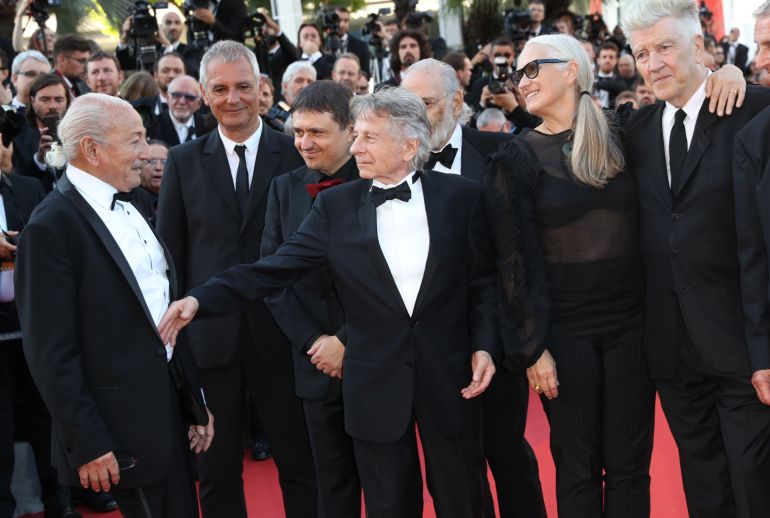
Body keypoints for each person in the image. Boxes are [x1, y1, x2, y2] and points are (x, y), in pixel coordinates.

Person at [159, 86, 497, 518]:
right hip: (374, 383)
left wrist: (483, 343)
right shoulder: (335, 206)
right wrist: (199, 299)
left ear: (410, 145)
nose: (355, 147)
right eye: (355, 135)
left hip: (449, 377)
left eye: (368, 137)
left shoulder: (461, 197)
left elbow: (483, 283)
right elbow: (273, 268)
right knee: (389, 504)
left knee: (463, 498)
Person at [15, 93, 213, 518]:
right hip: (113, 430)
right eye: (135, 140)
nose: (146, 153)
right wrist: (87, 442)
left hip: (167, 414)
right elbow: (50, 352)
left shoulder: (136, 201)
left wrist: (193, 401)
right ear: (92, 149)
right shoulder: (50, 227)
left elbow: (161, 308)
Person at [621, 1, 770, 516]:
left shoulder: (753, 110)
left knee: (755, 481)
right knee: (703, 486)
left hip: (743, 344)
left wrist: (734, 72)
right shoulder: (635, 132)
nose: (653, 63)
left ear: (700, 46)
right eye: (641, 53)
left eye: (664, 47)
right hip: (671, 347)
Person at [155, 40, 313, 518]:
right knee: (218, 471)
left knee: (300, 464)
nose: (232, 98)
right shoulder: (183, 163)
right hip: (209, 339)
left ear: (262, 88)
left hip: (286, 335)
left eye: (243, 86)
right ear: (204, 93)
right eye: (220, 89)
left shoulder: (296, 154)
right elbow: (172, 256)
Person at [402, 57, 545, 518]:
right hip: (429, 339)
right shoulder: (395, 163)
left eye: (425, 103)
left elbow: (523, 245)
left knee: (507, 450)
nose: (416, 116)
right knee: (451, 466)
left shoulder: (501, 151)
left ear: (457, 101)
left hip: (499, 332)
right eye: (408, 105)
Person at [261, 80, 361, 518]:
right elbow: (272, 276)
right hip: (314, 361)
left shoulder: (381, 180)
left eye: (316, 132)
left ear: (350, 130)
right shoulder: (283, 188)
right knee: (331, 484)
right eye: (297, 132)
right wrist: (315, 343)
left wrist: (345, 340)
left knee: (387, 482)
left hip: (377, 356)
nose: (303, 142)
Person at [0, 112, 76, 518]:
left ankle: (60, 502)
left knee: (46, 415)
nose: (6, 149)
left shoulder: (29, 187)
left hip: (32, 322)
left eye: (5, 140)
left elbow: (52, 240)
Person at [12, 74, 70, 192]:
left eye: (58, 100)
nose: (52, 106)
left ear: (67, 102)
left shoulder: (78, 136)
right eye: (45, 99)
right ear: (32, 101)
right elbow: (15, 182)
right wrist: (38, 160)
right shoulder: (17, 138)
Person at [148, 75, 207, 147]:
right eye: (176, 95)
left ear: (199, 103)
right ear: (167, 98)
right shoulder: (152, 126)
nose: (182, 102)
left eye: (189, 97)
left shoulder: (209, 126)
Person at [130, 52, 186, 124]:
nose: (171, 75)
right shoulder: (137, 108)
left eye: (177, 71)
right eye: (165, 71)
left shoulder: (201, 109)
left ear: (185, 75)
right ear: (156, 76)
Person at [333, 6, 371, 76]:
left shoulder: (361, 46)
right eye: (339, 20)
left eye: (346, 20)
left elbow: (366, 74)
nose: (342, 24)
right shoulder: (322, 44)